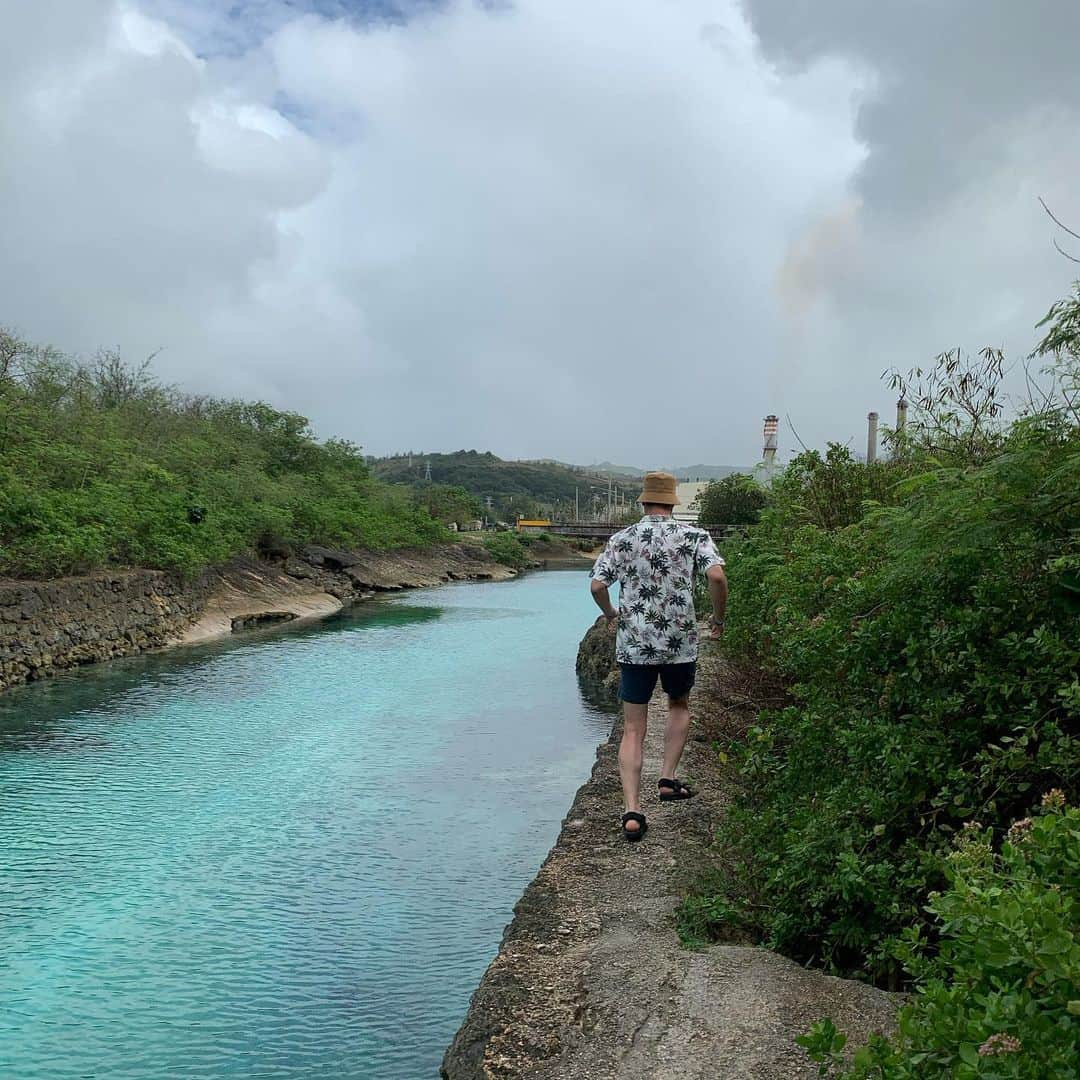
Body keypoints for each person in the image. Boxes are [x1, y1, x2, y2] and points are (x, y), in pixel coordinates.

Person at [588, 471, 728, 841]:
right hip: (680, 643)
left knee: (633, 727)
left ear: (643, 501)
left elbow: (598, 584)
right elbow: (716, 577)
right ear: (673, 502)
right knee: (679, 704)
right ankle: (667, 779)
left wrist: (610, 613)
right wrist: (717, 619)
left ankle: (632, 811)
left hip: (635, 646)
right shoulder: (694, 536)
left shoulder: (622, 539)